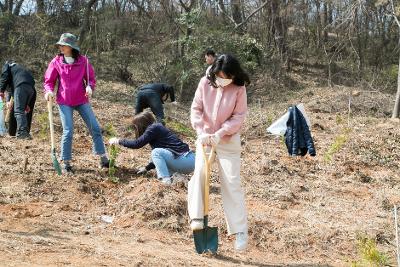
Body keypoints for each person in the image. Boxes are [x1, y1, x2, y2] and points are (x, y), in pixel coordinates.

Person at [189, 54, 250, 251]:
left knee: (232, 182)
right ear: (215, 72)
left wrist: (221, 132)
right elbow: (196, 109)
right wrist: (201, 131)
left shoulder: (239, 88)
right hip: (205, 137)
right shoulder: (204, 83)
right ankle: (197, 218)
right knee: (200, 173)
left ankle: (239, 231)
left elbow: (239, 116)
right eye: (221, 76)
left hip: (228, 140)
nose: (223, 81)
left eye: (227, 77)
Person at [43, 33, 110, 174]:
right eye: (60, 45)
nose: (60, 47)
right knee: (68, 130)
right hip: (64, 101)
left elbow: (91, 79)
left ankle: (103, 158)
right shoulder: (56, 62)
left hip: (81, 99)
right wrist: (48, 91)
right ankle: (66, 163)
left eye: (63, 45)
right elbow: (49, 81)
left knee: (95, 127)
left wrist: (90, 87)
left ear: (71, 47)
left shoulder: (84, 62)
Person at [108, 111, 195, 185]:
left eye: (136, 127)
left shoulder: (153, 128)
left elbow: (137, 144)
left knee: (156, 152)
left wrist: (118, 141)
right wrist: (146, 168)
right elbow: (162, 158)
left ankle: (165, 181)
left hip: (185, 160)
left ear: (140, 125)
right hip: (188, 161)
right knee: (157, 153)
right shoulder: (157, 129)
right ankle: (178, 179)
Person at [0, 61, 36, 139]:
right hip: (31, 89)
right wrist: (9, 100)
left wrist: (1, 90)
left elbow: (4, 77)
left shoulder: (7, 66)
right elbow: (11, 88)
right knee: (22, 110)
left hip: (21, 87)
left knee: (18, 111)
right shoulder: (19, 69)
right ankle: (24, 132)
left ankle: (22, 132)